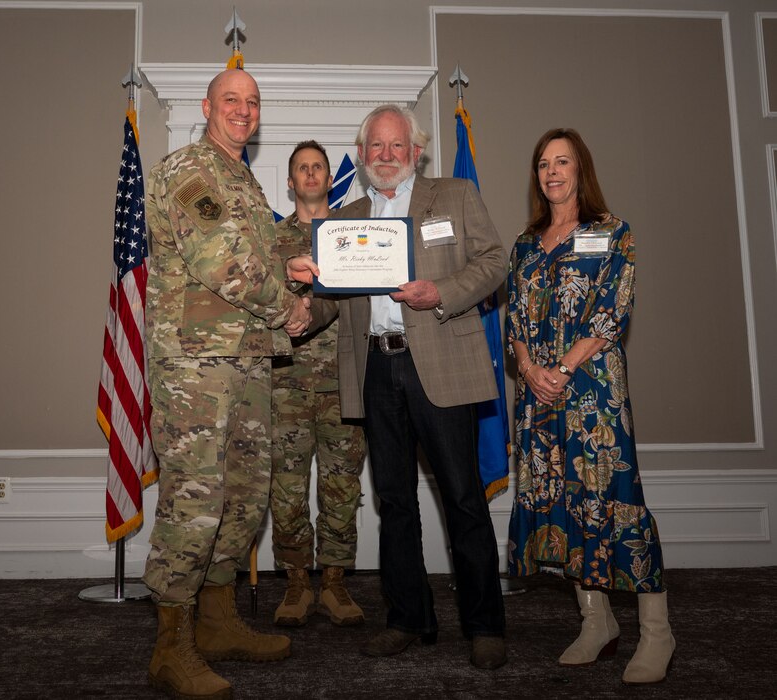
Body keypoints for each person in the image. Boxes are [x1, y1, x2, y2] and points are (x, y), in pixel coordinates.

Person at [141, 68, 313, 699]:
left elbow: (252, 262)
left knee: (242, 499)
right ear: (207, 106)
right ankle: (171, 648)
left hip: (245, 364)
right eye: (232, 101)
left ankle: (215, 623)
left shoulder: (241, 180)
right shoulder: (188, 171)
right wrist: (287, 306)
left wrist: (286, 267)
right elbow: (222, 266)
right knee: (194, 504)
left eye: (253, 103)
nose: (244, 111)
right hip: (196, 371)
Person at [327, 104, 508, 668]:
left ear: (416, 151)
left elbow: (496, 260)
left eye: (396, 146)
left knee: (463, 497)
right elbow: (330, 301)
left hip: (441, 362)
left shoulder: (453, 196)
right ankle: (408, 617)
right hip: (377, 369)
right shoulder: (348, 216)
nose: (386, 156)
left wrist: (444, 292)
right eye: (375, 147)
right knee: (394, 501)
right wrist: (302, 299)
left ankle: (485, 627)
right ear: (361, 156)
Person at [506, 128, 675, 685]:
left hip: (592, 394)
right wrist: (532, 371)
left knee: (614, 500)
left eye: (563, 161)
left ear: (582, 170)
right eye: (543, 164)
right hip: (538, 397)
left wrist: (562, 368)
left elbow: (611, 313)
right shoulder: (526, 246)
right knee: (561, 502)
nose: (552, 171)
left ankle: (656, 633)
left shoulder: (613, 233)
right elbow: (515, 326)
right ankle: (596, 623)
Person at [270, 141, 367, 628]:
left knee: (341, 489)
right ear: (290, 182)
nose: (310, 175)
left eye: (318, 168)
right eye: (301, 169)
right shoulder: (270, 241)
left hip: (342, 384)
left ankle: (333, 582)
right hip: (284, 387)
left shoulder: (351, 235)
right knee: (286, 492)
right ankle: (295, 582)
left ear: (330, 179)